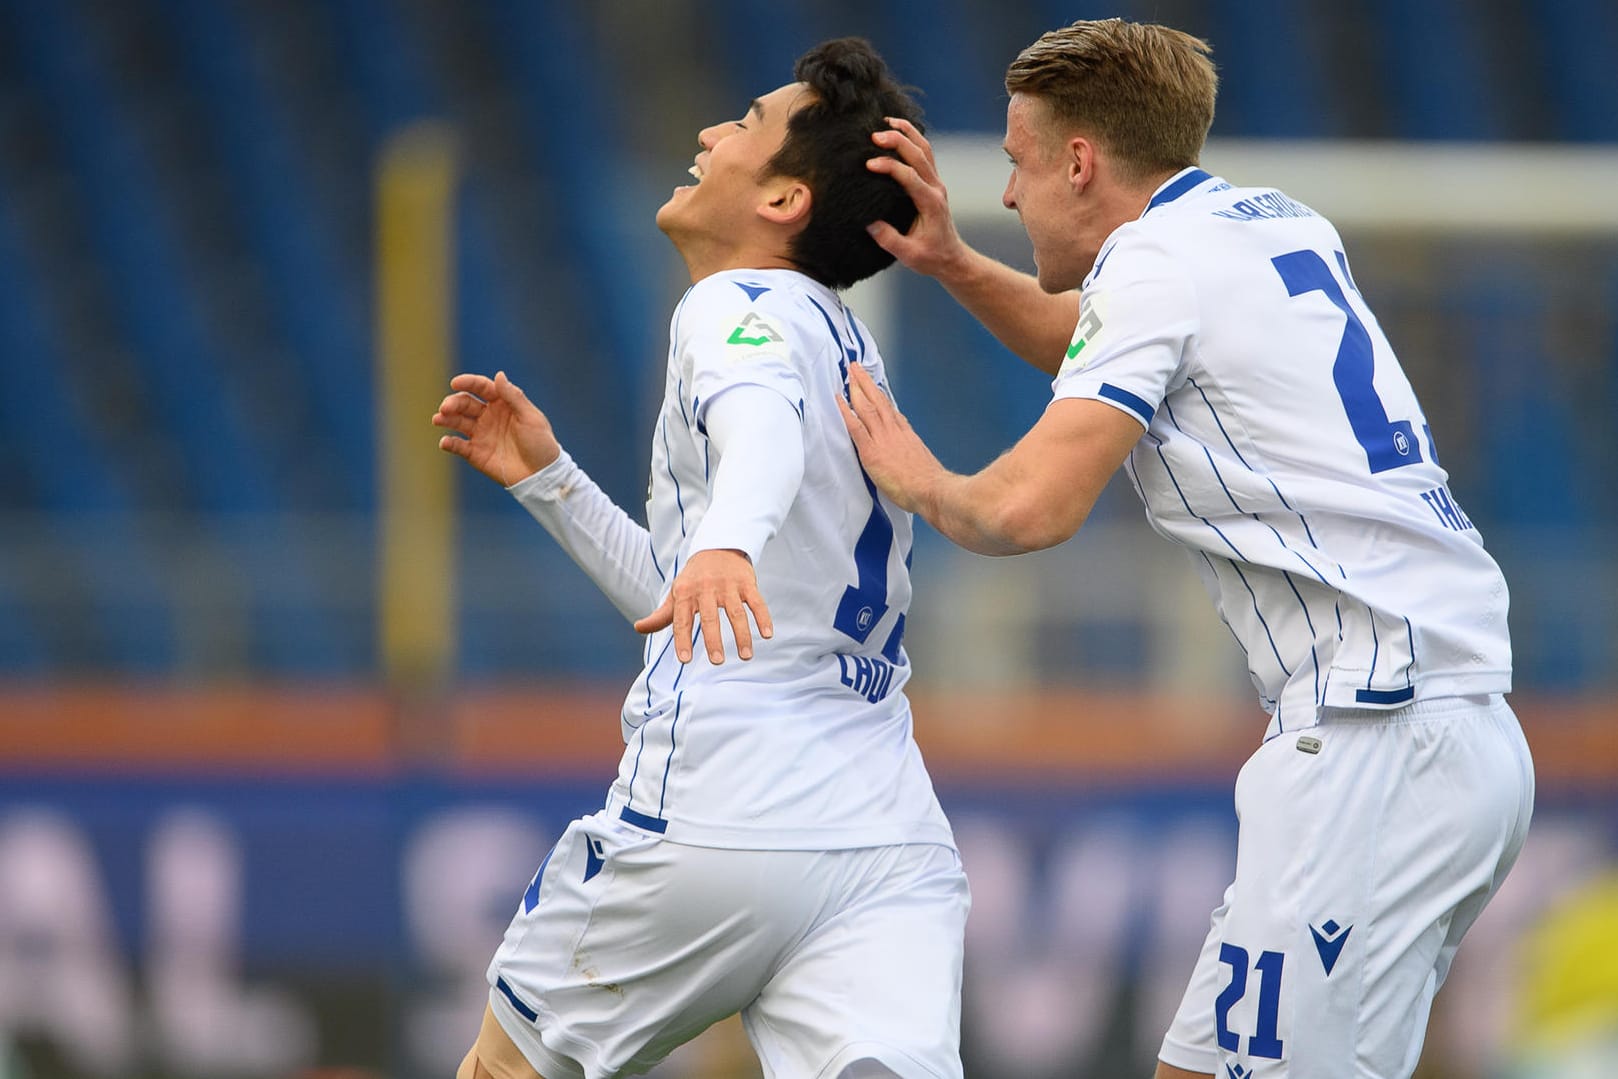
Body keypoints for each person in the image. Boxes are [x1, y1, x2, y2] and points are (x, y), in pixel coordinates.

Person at [840, 18, 1534, 1079]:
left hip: (1372, 737)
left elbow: (1027, 510)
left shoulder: (1153, 265)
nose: (1012, 194)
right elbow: (1088, 338)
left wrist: (917, 477)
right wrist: (949, 263)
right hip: (1447, 732)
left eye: (1019, 163)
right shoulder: (1263, 222)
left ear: (1081, 161)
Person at [431, 38, 968, 1079]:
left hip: (717, 802)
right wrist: (552, 483)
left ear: (781, 203)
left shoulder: (736, 306)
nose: (709, 135)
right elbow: (710, 608)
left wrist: (722, 540)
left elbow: (756, 434)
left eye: (746, 125)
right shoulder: (844, 339)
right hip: (884, 838)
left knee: (505, 1069)